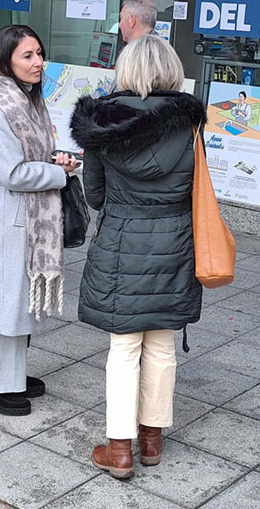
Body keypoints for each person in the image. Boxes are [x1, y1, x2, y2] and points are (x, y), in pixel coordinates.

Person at [70, 35, 204, 479]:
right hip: (175, 242)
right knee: (162, 344)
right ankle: (152, 440)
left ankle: (120, 449)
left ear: (125, 71)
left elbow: (95, 196)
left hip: (122, 242)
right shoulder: (189, 124)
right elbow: (197, 189)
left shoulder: (101, 126)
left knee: (124, 347)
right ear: (170, 70)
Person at [0, 25, 80, 417]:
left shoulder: (29, 101)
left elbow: (32, 158)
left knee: (15, 305)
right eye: (27, 56)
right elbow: (12, 173)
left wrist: (55, 160)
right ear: (6, 61)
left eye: (39, 54)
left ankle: (8, 377)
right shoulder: (0, 109)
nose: (38, 62)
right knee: (1, 304)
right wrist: (59, 175)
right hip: (12, 214)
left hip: (27, 216)